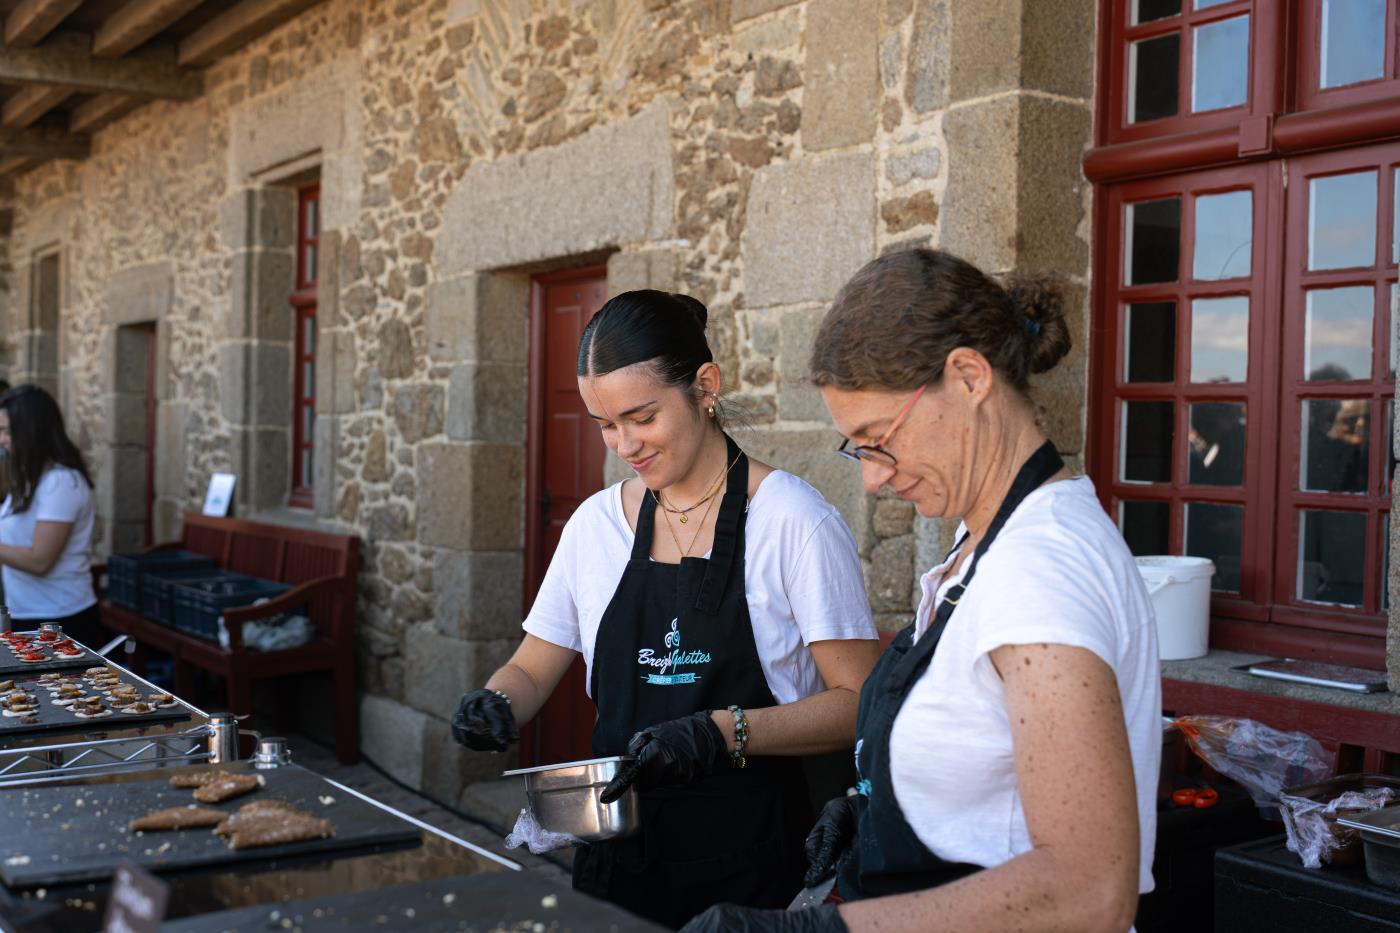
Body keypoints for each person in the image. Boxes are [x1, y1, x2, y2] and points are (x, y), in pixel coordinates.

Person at [683, 249, 1161, 933]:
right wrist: (875, 809)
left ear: (968, 376)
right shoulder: (985, 542)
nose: (873, 478)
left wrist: (817, 930)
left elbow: (1088, 888)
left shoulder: (1040, 568)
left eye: (878, 439)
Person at [451, 289, 881, 929]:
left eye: (642, 417)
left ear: (705, 386)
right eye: (605, 424)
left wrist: (720, 732)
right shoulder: (594, 525)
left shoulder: (793, 519)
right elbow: (534, 665)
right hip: (617, 858)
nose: (623, 443)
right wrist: (495, 702)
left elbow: (860, 703)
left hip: (752, 862)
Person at [0, 384, 102, 646]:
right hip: (27, 613)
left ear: (31, 432)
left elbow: (39, 561)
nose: (2, 439)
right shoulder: (29, 479)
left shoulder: (62, 483)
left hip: (60, 619)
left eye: (7, 431)